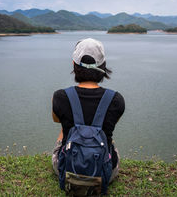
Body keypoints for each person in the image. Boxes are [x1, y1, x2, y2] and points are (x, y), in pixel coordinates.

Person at [51, 38, 125, 183]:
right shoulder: (116, 100)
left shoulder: (60, 97)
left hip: (66, 171)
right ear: (103, 66)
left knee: (64, 128)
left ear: (74, 64)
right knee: (106, 133)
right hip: (104, 175)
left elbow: (56, 120)